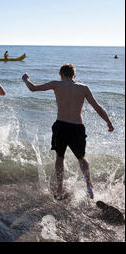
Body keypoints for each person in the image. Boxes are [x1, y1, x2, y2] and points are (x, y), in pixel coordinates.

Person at [22, 64, 114, 200]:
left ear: (61, 74)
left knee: (60, 157)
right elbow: (98, 107)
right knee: (81, 158)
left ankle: (59, 190)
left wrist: (25, 79)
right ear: (74, 75)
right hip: (77, 127)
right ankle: (89, 187)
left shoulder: (56, 84)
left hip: (61, 126)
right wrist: (109, 122)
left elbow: (33, 88)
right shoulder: (83, 88)